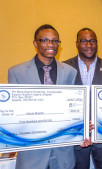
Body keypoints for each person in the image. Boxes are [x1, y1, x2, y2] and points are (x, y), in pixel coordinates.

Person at [8, 24, 77, 169]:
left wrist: (81, 127)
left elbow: (73, 110)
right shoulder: (17, 73)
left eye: (55, 41)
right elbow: (14, 115)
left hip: (62, 153)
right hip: (32, 155)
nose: (51, 44)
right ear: (35, 43)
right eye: (45, 40)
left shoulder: (70, 72)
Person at [64, 28, 102, 169]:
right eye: (84, 41)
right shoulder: (64, 68)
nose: (89, 45)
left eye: (92, 41)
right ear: (76, 44)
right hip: (75, 136)